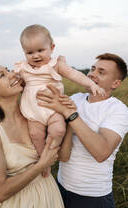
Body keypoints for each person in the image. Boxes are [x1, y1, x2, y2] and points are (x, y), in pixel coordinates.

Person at [0, 62, 64, 208]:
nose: (12, 74)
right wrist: (41, 165)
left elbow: (64, 155)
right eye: (2, 75)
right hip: (18, 203)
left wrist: (67, 114)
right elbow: (0, 193)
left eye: (8, 70)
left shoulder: (36, 116)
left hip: (49, 196)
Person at [37, 53, 128, 208]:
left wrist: (70, 115)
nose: (92, 74)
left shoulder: (118, 109)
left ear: (115, 83)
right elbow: (64, 156)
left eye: (101, 72)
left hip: (92, 197)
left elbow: (101, 153)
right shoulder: (76, 98)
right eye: (92, 69)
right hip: (61, 188)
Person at [14, 24, 105, 166]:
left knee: (59, 130)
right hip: (32, 110)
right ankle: (43, 162)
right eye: (30, 53)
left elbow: (74, 74)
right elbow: (15, 84)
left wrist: (91, 84)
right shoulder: (23, 68)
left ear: (52, 47)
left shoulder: (56, 65)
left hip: (53, 109)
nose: (36, 55)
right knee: (35, 135)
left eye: (40, 50)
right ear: (24, 52)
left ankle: (52, 151)